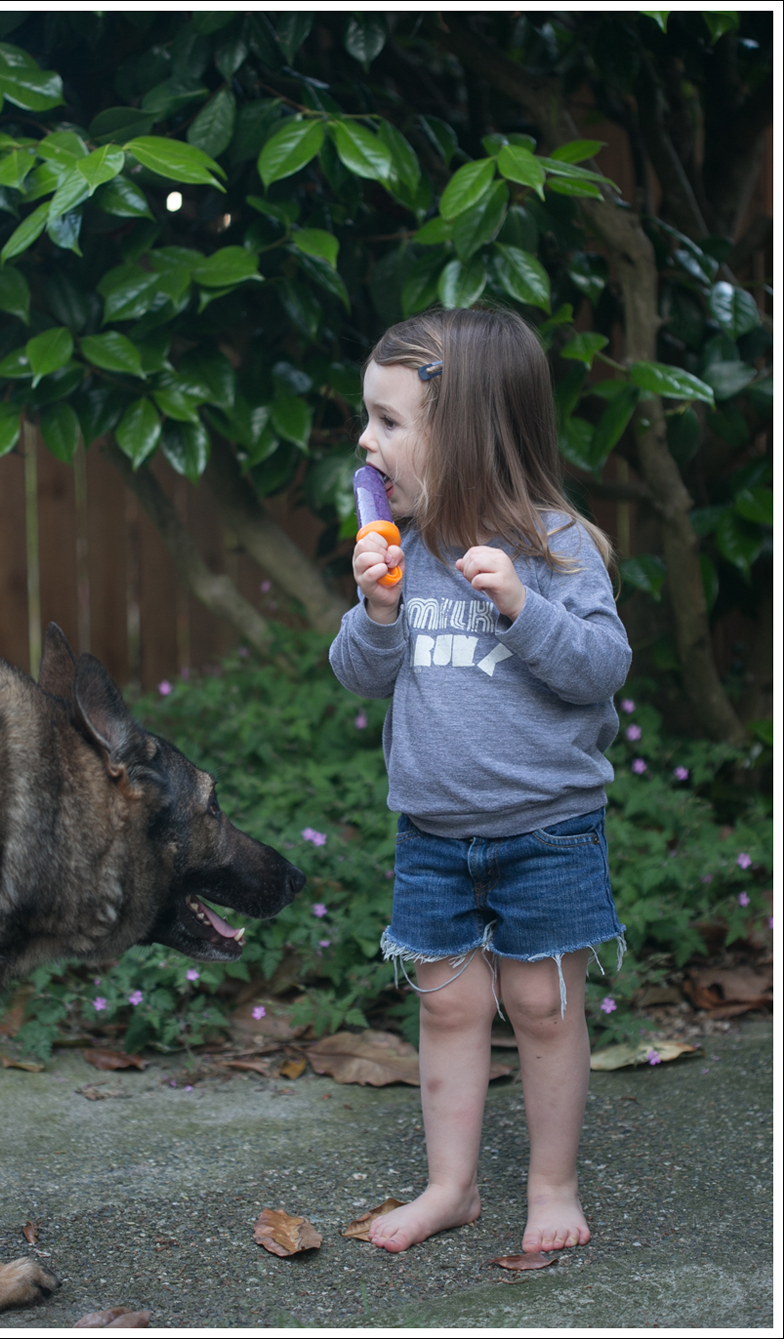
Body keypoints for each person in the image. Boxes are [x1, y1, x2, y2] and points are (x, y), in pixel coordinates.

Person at [329, 305, 632, 1256]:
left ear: (462, 435)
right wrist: (376, 614)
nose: (365, 440)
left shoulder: (558, 548)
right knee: (449, 1003)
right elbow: (359, 678)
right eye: (366, 419)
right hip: (431, 830)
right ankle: (451, 1186)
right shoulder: (402, 553)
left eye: (387, 422)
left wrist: (518, 604)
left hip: (550, 831)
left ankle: (552, 1182)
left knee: (542, 1006)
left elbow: (601, 668)